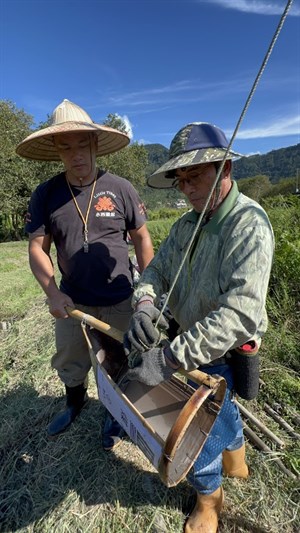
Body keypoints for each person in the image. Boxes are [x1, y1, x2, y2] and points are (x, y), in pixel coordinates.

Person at [123, 122, 274, 533]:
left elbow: (240, 314)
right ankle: (235, 461)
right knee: (222, 413)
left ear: (225, 170)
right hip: (190, 343)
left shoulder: (249, 225)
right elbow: (155, 270)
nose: (187, 189)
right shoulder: (186, 226)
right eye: (182, 180)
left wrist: (170, 357)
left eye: (197, 176)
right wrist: (146, 305)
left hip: (222, 349)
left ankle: (209, 499)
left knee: (198, 431)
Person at [16, 99, 154, 448]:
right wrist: (53, 293)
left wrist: (149, 292)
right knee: (70, 357)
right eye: (66, 147)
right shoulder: (46, 194)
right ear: (57, 151)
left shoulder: (120, 188)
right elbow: (37, 248)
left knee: (118, 359)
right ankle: (74, 401)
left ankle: (115, 415)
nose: (76, 154)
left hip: (119, 296)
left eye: (82, 145)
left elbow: (142, 238)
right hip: (72, 299)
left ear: (94, 145)